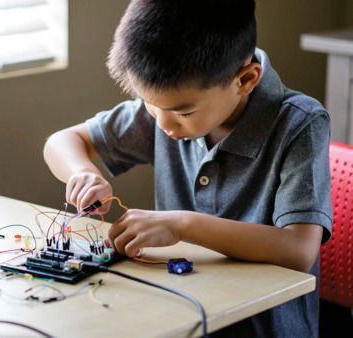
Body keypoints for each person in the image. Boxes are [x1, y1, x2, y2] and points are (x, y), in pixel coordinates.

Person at [43, 0, 332, 336]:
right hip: (180, 313)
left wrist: (183, 225)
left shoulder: (300, 125)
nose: (165, 124)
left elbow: (298, 250)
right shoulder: (167, 109)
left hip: (262, 326)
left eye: (183, 112)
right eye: (151, 105)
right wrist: (83, 172)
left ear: (246, 79)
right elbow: (61, 142)